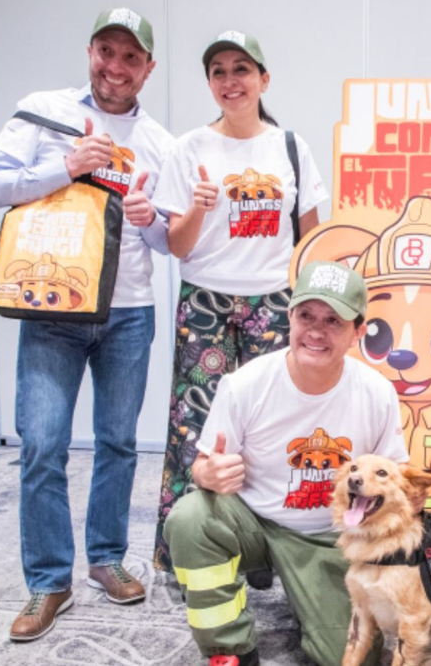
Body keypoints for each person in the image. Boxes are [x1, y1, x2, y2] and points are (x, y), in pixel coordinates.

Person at [0, 8, 174, 641]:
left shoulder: (162, 143)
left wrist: (149, 219)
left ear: (148, 67)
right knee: (42, 444)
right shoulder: (45, 110)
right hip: (54, 308)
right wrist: (68, 166)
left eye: (130, 57)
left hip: (129, 312)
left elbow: (170, 242)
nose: (116, 67)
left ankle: (107, 561)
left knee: (118, 444)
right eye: (106, 51)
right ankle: (47, 582)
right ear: (90, 50)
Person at [162, 261, 408, 666]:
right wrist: (207, 473)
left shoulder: (377, 392)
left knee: (349, 659)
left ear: (357, 332)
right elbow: (204, 465)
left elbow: (393, 482)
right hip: (255, 524)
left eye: (334, 320)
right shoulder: (245, 384)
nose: (316, 330)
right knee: (190, 517)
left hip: (334, 537)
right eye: (306, 315)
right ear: (289, 316)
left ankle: (314, 599)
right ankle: (229, 649)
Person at [151, 30, 329, 573]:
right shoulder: (189, 149)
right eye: (219, 72)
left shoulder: (291, 147)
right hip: (204, 297)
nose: (231, 82)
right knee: (193, 425)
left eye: (241, 69)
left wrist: (312, 311)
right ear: (210, 84)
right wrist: (200, 209)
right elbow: (175, 246)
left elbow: (313, 243)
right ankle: (186, 553)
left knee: (271, 426)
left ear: (263, 79)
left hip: (275, 301)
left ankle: (263, 556)